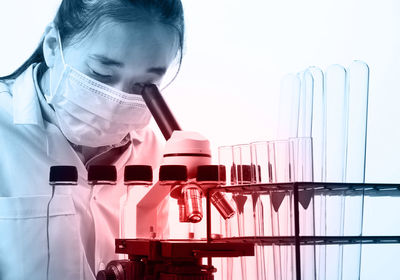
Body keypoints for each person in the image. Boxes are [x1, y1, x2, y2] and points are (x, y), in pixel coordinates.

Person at [0, 0, 184, 279]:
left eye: (144, 85)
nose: (116, 101)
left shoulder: (154, 150)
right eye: (102, 74)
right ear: (52, 47)